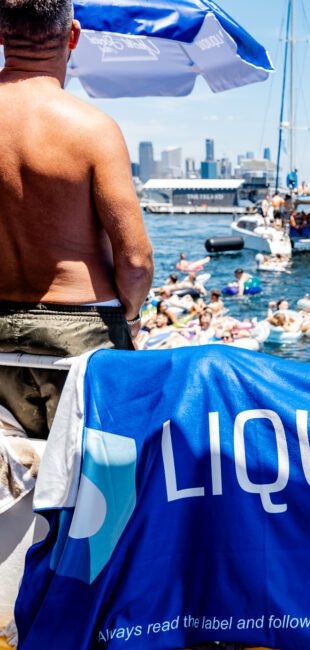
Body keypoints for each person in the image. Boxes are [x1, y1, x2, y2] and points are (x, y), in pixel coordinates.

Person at [0, 0, 154, 438]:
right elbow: (136, 260)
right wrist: (133, 315)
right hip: (81, 333)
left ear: (0, 35)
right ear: (73, 36)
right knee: (103, 486)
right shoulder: (92, 129)